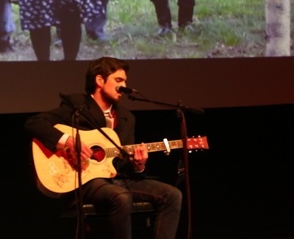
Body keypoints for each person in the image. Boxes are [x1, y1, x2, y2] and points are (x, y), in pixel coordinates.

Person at [25, 56, 182, 239]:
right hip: (85, 180)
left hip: (115, 178)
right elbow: (34, 123)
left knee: (172, 195)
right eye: (118, 80)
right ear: (100, 80)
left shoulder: (126, 117)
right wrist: (68, 141)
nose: (123, 86)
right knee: (121, 196)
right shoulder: (78, 105)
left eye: (125, 81)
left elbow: (122, 166)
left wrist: (138, 166)